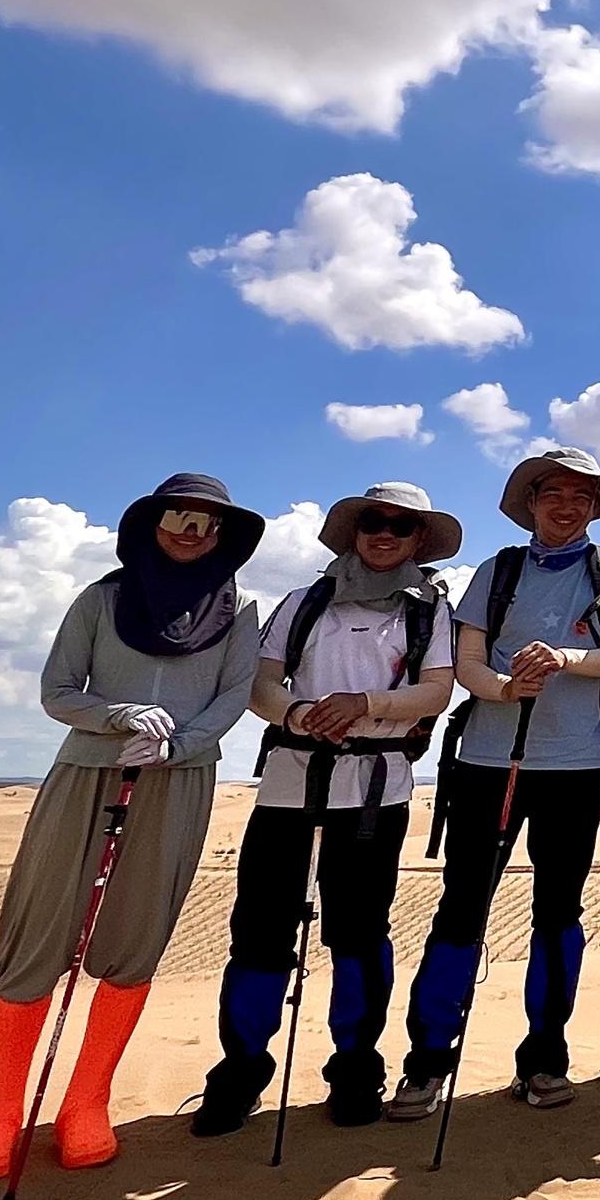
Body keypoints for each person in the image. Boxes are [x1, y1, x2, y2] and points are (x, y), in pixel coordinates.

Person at [0, 473, 263, 1184]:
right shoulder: (100, 599)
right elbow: (58, 691)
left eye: (207, 523)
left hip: (179, 779)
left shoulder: (239, 609)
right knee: (39, 931)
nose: (191, 533)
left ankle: (86, 1104)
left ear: (223, 535)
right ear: (152, 523)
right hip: (88, 770)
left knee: (136, 934)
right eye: (178, 517)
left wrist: (179, 746)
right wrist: (117, 716)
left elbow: (231, 697)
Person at [386, 448, 600, 1119]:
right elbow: (466, 662)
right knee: (462, 908)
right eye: (554, 493)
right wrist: (505, 687)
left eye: (582, 496)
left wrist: (565, 657)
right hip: (488, 761)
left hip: (576, 766)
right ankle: (427, 1061)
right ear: (531, 502)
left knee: (559, 913)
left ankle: (544, 1057)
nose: (568, 506)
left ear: (596, 507)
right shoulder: (497, 570)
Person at [197, 482, 459, 1135]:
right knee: (259, 933)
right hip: (289, 785)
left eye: (401, 525)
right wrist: (298, 714)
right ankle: (240, 1073)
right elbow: (261, 683)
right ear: (354, 529)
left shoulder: (429, 611)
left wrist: (364, 705)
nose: (385, 533)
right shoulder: (303, 601)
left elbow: (436, 692)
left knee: (360, 935)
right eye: (374, 520)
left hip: (374, 793)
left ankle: (356, 1070)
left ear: (419, 540)